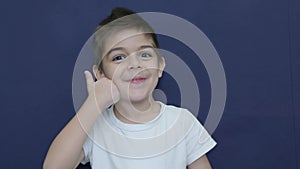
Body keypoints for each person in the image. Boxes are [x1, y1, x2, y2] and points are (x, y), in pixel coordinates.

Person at [43, 7, 216, 169]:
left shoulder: (182, 121)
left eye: (145, 54)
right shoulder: (95, 127)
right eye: (119, 57)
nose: (134, 64)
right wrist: (93, 104)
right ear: (101, 74)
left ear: (160, 65)